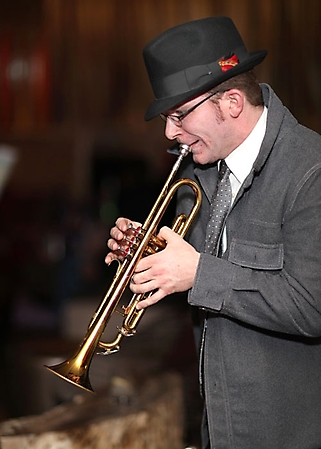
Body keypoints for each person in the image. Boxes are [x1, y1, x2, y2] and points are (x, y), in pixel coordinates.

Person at [106, 16, 321, 449]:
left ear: (233, 103)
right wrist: (145, 253)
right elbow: (189, 269)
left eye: (180, 115)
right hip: (216, 427)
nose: (170, 132)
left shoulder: (310, 170)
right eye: (167, 118)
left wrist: (198, 274)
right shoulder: (196, 168)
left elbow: (311, 305)